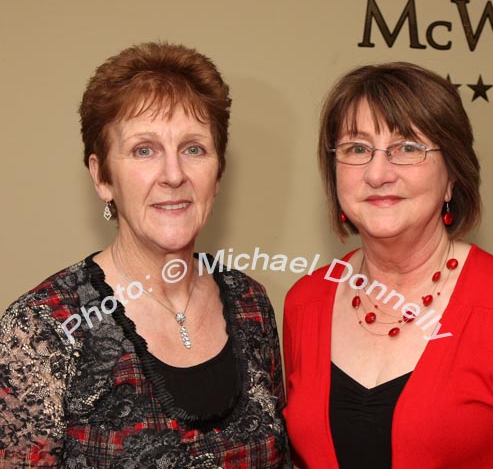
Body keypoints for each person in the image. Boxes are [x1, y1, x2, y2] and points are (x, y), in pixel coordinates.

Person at [0, 42, 290, 468]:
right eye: (144, 150)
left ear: (218, 173)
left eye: (194, 148)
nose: (173, 175)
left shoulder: (251, 305)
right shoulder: (41, 328)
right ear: (102, 178)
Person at [283, 62, 493, 468]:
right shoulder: (305, 302)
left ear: (452, 178)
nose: (377, 173)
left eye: (407, 147)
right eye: (357, 149)